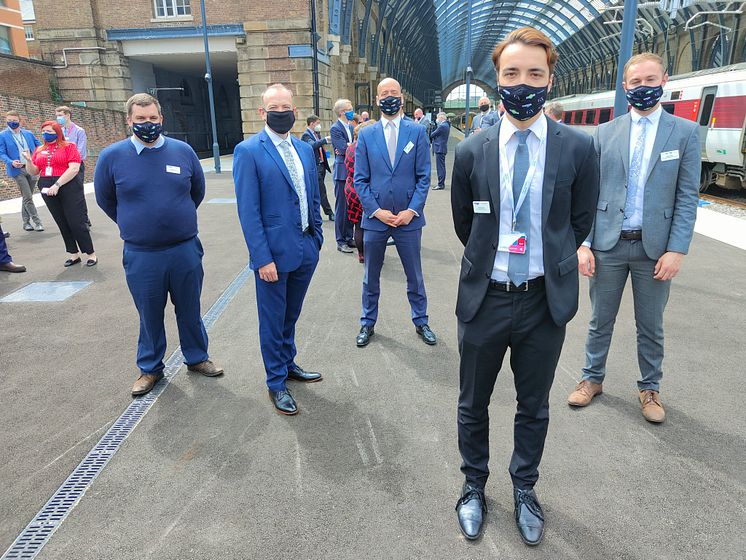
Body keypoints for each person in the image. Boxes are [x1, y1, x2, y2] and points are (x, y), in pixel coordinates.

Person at [450, 27, 599, 544]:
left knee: (532, 405)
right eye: (512, 74)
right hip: (485, 297)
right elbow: (466, 225)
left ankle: (524, 487)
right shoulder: (471, 150)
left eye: (534, 74)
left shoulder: (578, 147)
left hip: (542, 300)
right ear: (497, 80)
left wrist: (549, 260)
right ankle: (473, 485)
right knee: (472, 402)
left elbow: (578, 222)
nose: (523, 84)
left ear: (550, 79)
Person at [568, 52, 699, 424]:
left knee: (651, 324)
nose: (644, 87)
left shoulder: (686, 133)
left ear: (664, 81)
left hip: (654, 248)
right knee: (599, 320)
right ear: (625, 86)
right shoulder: (605, 132)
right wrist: (584, 243)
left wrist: (677, 249)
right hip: (608, 244)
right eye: (636, 82)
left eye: (650, 80)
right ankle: (592, 379)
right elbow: (588, 194)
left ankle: (650, 388)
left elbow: (688, 196)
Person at [94, 93, 223, 397]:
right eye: (140, 119)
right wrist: (136, 223)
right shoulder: (112, 157)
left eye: (152, 118)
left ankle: (197, 357)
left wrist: (175, 219)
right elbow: (105, 199)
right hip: (142, 254)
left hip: (184, 249)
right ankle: (150, 368)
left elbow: (197, 192)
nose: (147, 124)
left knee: (189, 308)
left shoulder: (183, 152)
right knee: (149, 313)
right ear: (129, 120)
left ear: (161, 119)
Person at [233, 83, 324, 416]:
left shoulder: (303, 149)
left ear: (294, 111)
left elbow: (312, 194)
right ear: (262, 112)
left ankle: (288, 364)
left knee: (291, 314)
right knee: (272, 320)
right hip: (272, 256)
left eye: (287, 108)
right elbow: (249, 211)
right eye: (275, 108)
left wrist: (316, 237)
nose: (282, 113)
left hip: (304, 248)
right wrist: (262, 258)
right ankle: (275, 382)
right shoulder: (249, 151)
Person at [354, 77, 436, 348]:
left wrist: (411, 210)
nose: (389, 97)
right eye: (384, 93)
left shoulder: (417, 132)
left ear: (401, 97)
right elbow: (360, 180)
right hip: (376, 220)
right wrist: (376, 211)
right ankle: (367, 322)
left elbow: (424, 177)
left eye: (393, 92)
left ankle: (421, 320)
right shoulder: (366, 134)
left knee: (414, 274)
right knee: (371, 276)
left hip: (408, 220)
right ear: (377, 100)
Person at [23, 121, 97, 267]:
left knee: (76, 222)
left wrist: (57, 184)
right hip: (46, 186)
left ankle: (90, 253)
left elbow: (74, 168)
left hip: (67, 185)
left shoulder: (69, 146)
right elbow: (33, 171)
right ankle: (73, 254)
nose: (46, 134)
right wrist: (29, 161)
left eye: (50, 131)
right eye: (43, 131)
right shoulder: (39, 149)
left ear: (57, 132)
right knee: (62, 222)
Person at [0, 111, 44, 231]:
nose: (11, 122)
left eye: (14, 120)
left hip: (31, 167)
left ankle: (26, 223)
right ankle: (37, 222)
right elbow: (1, 152)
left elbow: (39, 147)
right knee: (28, 197)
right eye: (9, 120)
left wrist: (36, 158)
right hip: (17, 170)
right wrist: (10, 162)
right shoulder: (3, 135)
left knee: (26, 197)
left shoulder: (28, 133)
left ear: (20, 121)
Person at [344, 119, 376, 263]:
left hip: (351, 189)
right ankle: (372, 254)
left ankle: (361, 254)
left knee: (358, 225)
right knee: (371, 224)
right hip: (366, 190)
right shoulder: (369, 148)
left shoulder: (350, 148)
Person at [56, 105, 91, 228]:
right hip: (63, 166)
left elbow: (80, 151)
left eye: (60, 115)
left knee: (78, 192)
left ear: (67, 115)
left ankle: (84, 219)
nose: (58, 118)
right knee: (66, 192)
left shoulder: (79, 131)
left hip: (76, 165)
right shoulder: (58, 132)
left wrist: (71, 161)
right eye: (57, 116)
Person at [330, 98, 355, 253]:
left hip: (351, 170)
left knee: (351, 206)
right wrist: (348, 147)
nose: (352, 110)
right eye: (349, 108)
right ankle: (340, 241)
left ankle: (349, 236)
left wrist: (348, 146)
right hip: (341, 172)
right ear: (342, 112)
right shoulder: (335, 128)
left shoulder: (351, 127)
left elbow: (349, 148)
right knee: (341, 208)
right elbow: (342, 149)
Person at [301, 115, 334, 220]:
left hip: (321, 166)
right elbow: (312, 145)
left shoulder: (317, 134)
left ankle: (312, 212)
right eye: (317, 123)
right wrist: (324, 140)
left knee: (316, 190)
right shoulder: (306, 135)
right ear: (312, 123)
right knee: (321, 190)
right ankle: (329, 213)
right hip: (315, 167)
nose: (319, 125)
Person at [430, 112, 450, 190]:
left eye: (438, 118)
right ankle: (441, 183)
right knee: (441, 167)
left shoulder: (442, 126)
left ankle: (440, 184)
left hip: (440, 148)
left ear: (441, 118)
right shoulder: (446, 125)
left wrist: (433, 127)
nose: (437, 120)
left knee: (440, 167)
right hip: (442, 148)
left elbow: (432, 134)